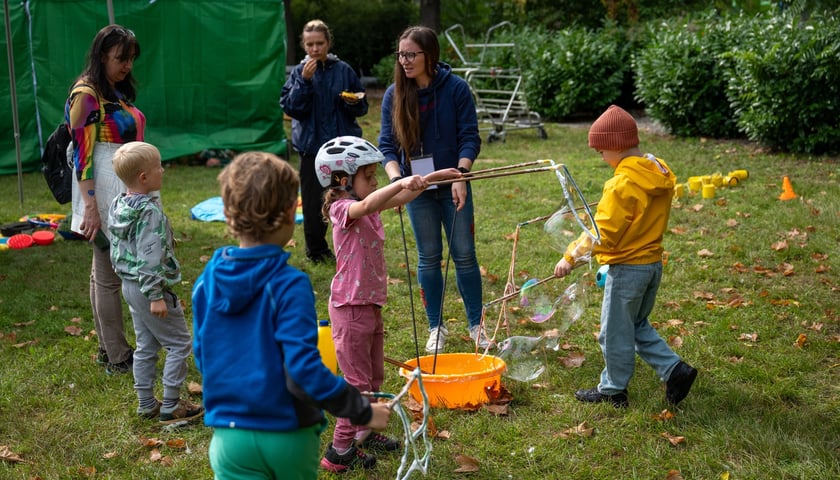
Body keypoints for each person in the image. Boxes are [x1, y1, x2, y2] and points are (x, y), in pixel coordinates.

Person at [192, 152, 392, 479]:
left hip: (227, 439)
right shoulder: (289, 284)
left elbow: (203, 355)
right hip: (286, 434)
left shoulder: (206, 282)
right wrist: (361, 410)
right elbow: (303, 370)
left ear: (228, 214)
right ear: (290, 213)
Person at [315, 136, 461, 472]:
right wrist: (400, 182)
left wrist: (436, 177)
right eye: (368, 176)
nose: (375, 181)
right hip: (349, 310)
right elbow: (366, 205)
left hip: (369, 306)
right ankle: (338, 452)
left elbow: (405, 193)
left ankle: (365, 430)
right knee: (357, 386)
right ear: (343, 181)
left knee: (374, 376)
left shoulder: (367, 200)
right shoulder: (343, 209)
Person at [553, 105, 698, 408]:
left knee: (614, 333)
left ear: (614, 147)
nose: (602, 159)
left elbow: (602, 232)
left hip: (628, 269)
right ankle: (675, 371)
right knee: (636, 325)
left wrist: (570, 257)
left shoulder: (621, 184)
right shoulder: (655, 170)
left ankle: (613, 390)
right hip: (651, 264)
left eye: (601, 152)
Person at [379, 26, 487, 353]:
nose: (405, 61)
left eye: (411, 54)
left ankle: (476, 325)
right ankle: (435, 327)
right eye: (401, 55)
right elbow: (387, 146)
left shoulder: (456, 89)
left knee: (464, 255)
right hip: (417, 187)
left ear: (430, 55)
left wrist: (460, 176)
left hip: (452, 182)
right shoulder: (393, 94)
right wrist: (398, 181)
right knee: (428, 257)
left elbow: (470, 137)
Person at [67, 25, 146, 374]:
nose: (127, 65)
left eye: (130, 59)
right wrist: (91, 206)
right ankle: (117, 356)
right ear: (102, 56)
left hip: (123, 185)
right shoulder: (86, 94)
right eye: (120, 58)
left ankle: (107, 349)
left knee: (103, 273)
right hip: (104, 190)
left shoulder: (113, 90)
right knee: (109, 274)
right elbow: (83, 158)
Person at [108, 141, 204, 424]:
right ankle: (172, 405)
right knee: (179, 344)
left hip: (129, 285)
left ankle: (146, 403)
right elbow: (148, 257)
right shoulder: (149, 212)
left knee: (146, 345)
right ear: (144, 178)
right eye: (158, 166)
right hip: (148, 288)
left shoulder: (119, 204)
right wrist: (155, 295)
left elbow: (124, 248)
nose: (163, 170)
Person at [280, 19, 368, 264]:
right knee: (313, 201)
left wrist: (354, 102)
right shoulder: (299, 73)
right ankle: (317, 251)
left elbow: (362, 106)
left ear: (328, 43)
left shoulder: (343, 70)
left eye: (319, 43)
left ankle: (353, 246)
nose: (315, 49)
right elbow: (291, 108)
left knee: (345, 195)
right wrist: (304, 83)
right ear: (303, 46)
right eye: (310, 44)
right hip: (312, 150)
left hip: (341, 151)